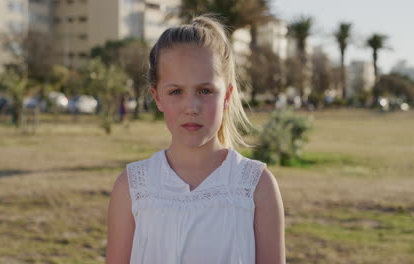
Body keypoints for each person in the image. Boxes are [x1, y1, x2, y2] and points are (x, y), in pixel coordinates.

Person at [106, 14, 285, 264]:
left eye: (205, 90)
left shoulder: (257, 186)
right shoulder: (132, 187)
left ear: (227, 95)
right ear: (157, 97)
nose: (191, 106)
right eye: (176, 91)